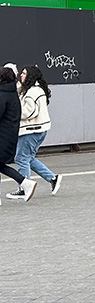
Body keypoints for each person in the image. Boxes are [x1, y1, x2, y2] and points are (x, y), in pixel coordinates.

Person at [6, 66, 61, 200]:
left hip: (31, 130)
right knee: (28, 158)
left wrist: (14, 112)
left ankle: (24, 188)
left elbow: (29, 111)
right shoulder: (35, 89)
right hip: (37, 130)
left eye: (24, 73)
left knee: (21, 158)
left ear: (30, 75)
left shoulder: (32, 91)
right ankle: (53, 178)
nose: (21, 76)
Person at [0, 68, 36, 203]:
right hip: (9, 136)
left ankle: (25, 183)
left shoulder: (3, 95)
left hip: (2, 137)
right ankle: (25, 183)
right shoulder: (12, 94)